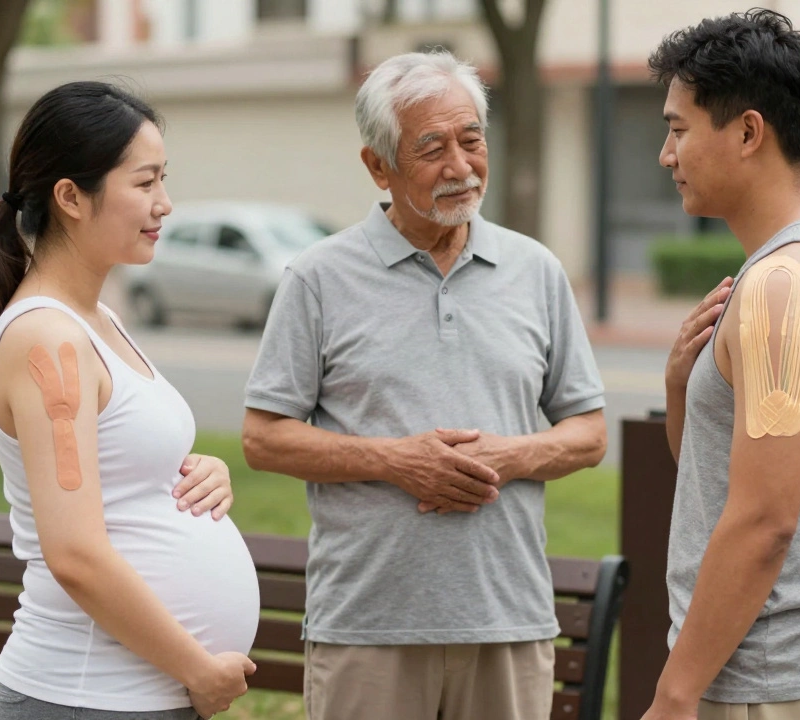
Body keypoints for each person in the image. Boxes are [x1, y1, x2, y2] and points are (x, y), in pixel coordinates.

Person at [240, 51, 607, 720]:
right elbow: (263, 439)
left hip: (508, 621)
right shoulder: (317, 278)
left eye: (472, 140)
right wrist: (393, 461)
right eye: (432, 147)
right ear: (378, 165)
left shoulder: (537, 271)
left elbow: (588, 434)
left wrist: (507, 456)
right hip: (367, 627)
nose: (461, 166)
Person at [0, 81, 260, 720]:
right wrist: (199, 669)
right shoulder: (46, 336)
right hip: (84, 696)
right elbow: (74, 553)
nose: (164, 204)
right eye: (144, 183)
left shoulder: (93, 320)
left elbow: (116, 469)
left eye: (163, 180)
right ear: (70, 197)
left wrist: (196, 475)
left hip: (131, 696)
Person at [644, 10, 800, 720]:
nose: (667, 154)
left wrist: (675, 691)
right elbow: (721, 479)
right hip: (787, 672)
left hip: (774, 681)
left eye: (679, 129)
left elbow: (762, 521)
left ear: (749, 132)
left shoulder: (784, 287)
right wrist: (680, 385)